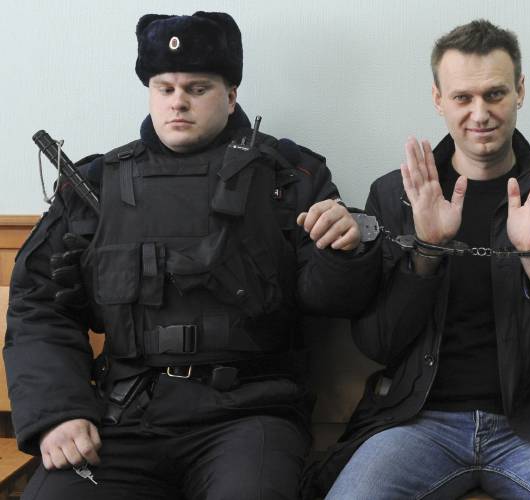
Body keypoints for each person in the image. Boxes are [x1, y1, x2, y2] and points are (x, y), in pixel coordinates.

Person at [4, 11, 380, 500]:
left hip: (249, 415)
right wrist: (58, 412)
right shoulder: (95, 183)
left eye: (197, 88)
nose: (178, 101)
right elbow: (38, 304)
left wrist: (345, 249)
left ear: (231, 94)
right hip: (124, 415)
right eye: (165, 88)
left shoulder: (289, 177)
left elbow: (331, 299)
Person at [312, 19, 530, 500]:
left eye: (495, 94)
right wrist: (426, 251)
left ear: (520, 91)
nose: (480, 114)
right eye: (463, 98)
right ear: (439, 100)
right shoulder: (395, 195)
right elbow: (378, 344)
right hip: (419, 422)